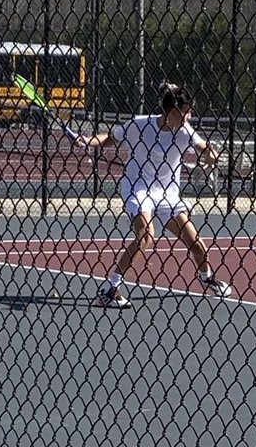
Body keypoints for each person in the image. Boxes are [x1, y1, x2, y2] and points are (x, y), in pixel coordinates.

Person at [77, 81, 233, 307]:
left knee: (197, 245)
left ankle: (207, 278)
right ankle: (110, 289)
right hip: (138, 187)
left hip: (168, 195)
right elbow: (111, 137)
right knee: (146, 235)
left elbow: (205, 149)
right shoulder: (139, 125)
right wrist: (89, 141)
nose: (190, 116)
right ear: (172, 112)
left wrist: (211, 155)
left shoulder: (185, 132)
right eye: (186, 112)